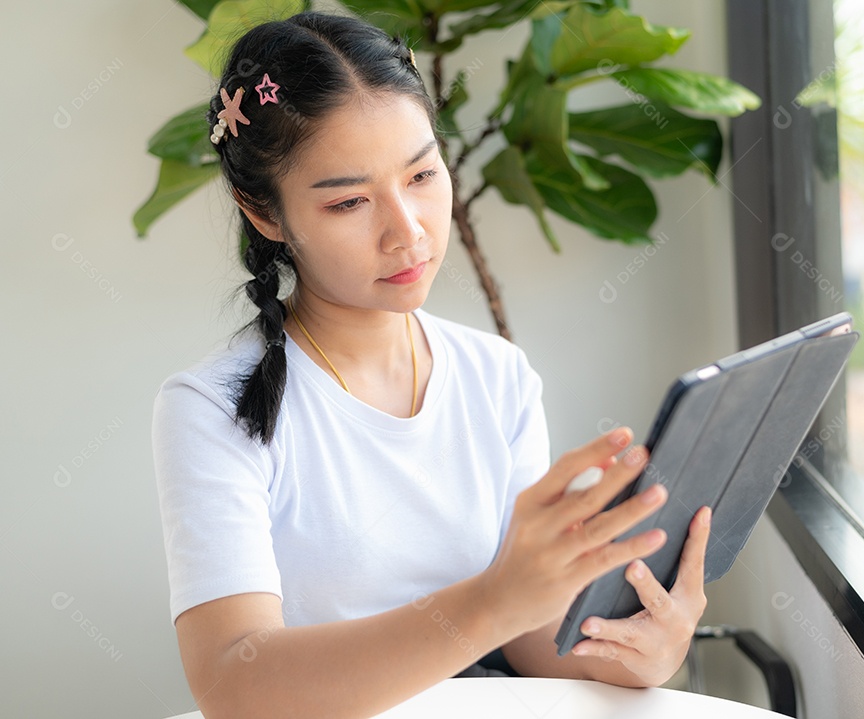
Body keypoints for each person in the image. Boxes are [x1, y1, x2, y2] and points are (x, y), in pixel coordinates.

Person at [151, 10, 712, 719]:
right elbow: (233, 684)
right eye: (349, 201)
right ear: (264, 213)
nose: (407, 230)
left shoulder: (497, 376)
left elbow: (532, 638)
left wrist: (643, 650)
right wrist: (490, 602)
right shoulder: (211, 407)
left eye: (421, 173)